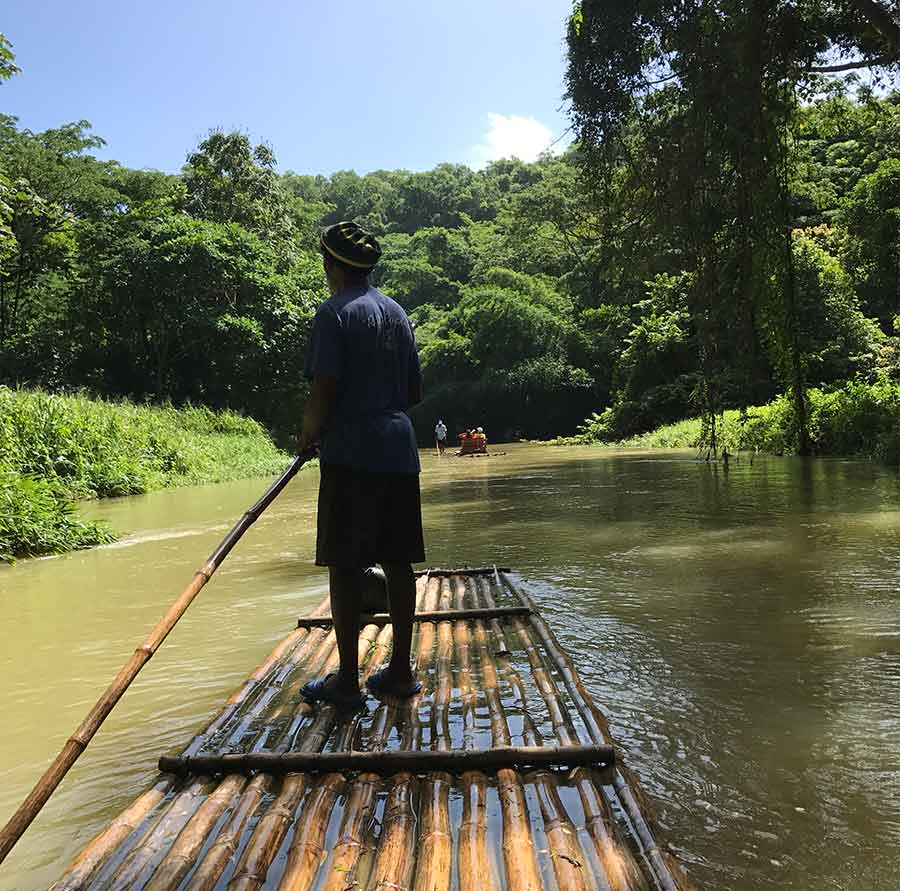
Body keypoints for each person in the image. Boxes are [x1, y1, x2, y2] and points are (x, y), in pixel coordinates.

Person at [298, 220, 425, 710]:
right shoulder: (398, 313)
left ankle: (348, 681)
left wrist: (310, 433)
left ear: (331, 265)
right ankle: (399, 671)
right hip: (398, 447)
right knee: (397, 561)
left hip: (351, 453)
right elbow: (414, 392)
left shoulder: (333, 314)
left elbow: (323, 389)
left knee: (346, 565)